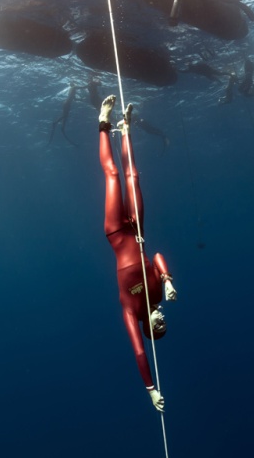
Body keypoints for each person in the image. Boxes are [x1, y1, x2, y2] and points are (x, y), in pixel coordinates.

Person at [98, 95, 177, 412]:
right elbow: (156, 256)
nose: (162, 323)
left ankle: (103, 123)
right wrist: (168, 279)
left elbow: (140, 352)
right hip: (139, 231)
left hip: (118, 232)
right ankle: (125, 128)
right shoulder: (158, 291)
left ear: (149, 327)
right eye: (165, 325)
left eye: (158, 328)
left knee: (114, 175)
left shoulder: (131, 312)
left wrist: (150, 389)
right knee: (134, 176)